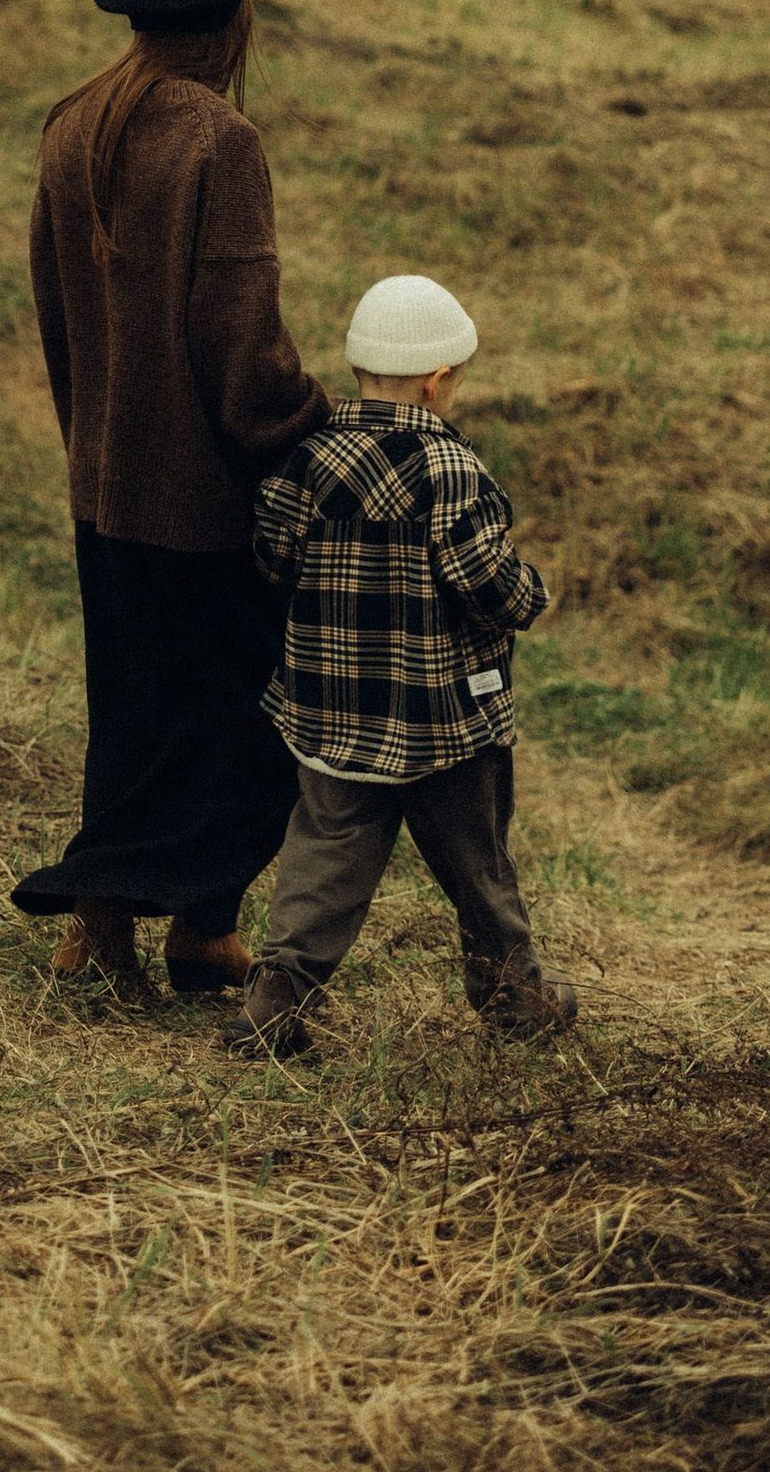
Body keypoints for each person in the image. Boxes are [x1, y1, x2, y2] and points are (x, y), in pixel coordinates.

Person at [11, 0, 331, 996]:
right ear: (235, 11)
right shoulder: (216, 140)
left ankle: (175, 937)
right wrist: (312, 424)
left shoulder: (75, 122)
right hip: (205, 495)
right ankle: (117, 912)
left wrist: (89, 439)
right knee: (253, 727)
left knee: (139, 714)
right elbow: (240, 345)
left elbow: (58, 313)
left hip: (103, 482)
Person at [222, 272, 574, 1059]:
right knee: (478, 862)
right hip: (445, 717)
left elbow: (271, 551)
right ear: (439, 378)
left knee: (325, 848)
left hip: (332, 711)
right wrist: (531, 595)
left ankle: (276, 997)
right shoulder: (451, 470)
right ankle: (514, 997)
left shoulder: (311, 459)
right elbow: (483, 579)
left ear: (356, 369)